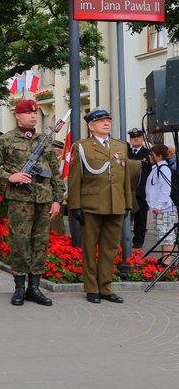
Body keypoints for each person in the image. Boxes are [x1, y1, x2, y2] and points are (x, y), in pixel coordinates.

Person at [0, 100, 63, 306]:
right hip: (20, 200)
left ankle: (34, 288)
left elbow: (54, 171)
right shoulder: (6, 140)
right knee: (20, 243)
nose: (33, 116)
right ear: (17, 115)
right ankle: (19, 287)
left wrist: (57, 199)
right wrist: (10, 176)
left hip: (44, 199)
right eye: (28, 113)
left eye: (35, 113)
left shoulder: (44, 140)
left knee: (40, 243)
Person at [68, 109, 132, 304]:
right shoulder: (81, 147)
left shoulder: (120, 146)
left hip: (115, 204)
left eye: (108, 120)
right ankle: (91, 288)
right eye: (101, 121)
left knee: (110, 248)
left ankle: (105, 287)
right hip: (91, 205)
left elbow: (125, 178)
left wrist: (127, 203)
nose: (106, 123)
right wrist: (75, 206)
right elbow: (74, 179)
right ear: (91, 125)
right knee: (89, 248)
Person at [145, 143, 176, 265]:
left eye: (152, 155)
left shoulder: (163, 169)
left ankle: (167, 261)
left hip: (164, 208)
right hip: (160, 208)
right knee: (162, 234)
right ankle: (164, 259)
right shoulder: (157, 168)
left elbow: (165, 189)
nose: (150, 157)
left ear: (159, 156)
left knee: (166, 234)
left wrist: (158, 205)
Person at [127, 128, 151, 248]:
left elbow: (151, 173)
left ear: (142, 138)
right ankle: (124, 239)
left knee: (140, 218)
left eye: (138, 137)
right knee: (125, 216)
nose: (135, 139)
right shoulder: (126, 153)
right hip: (127, 190)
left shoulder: (148, 154)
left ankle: (138, 240)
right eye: (133, 137)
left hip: (141, 190)